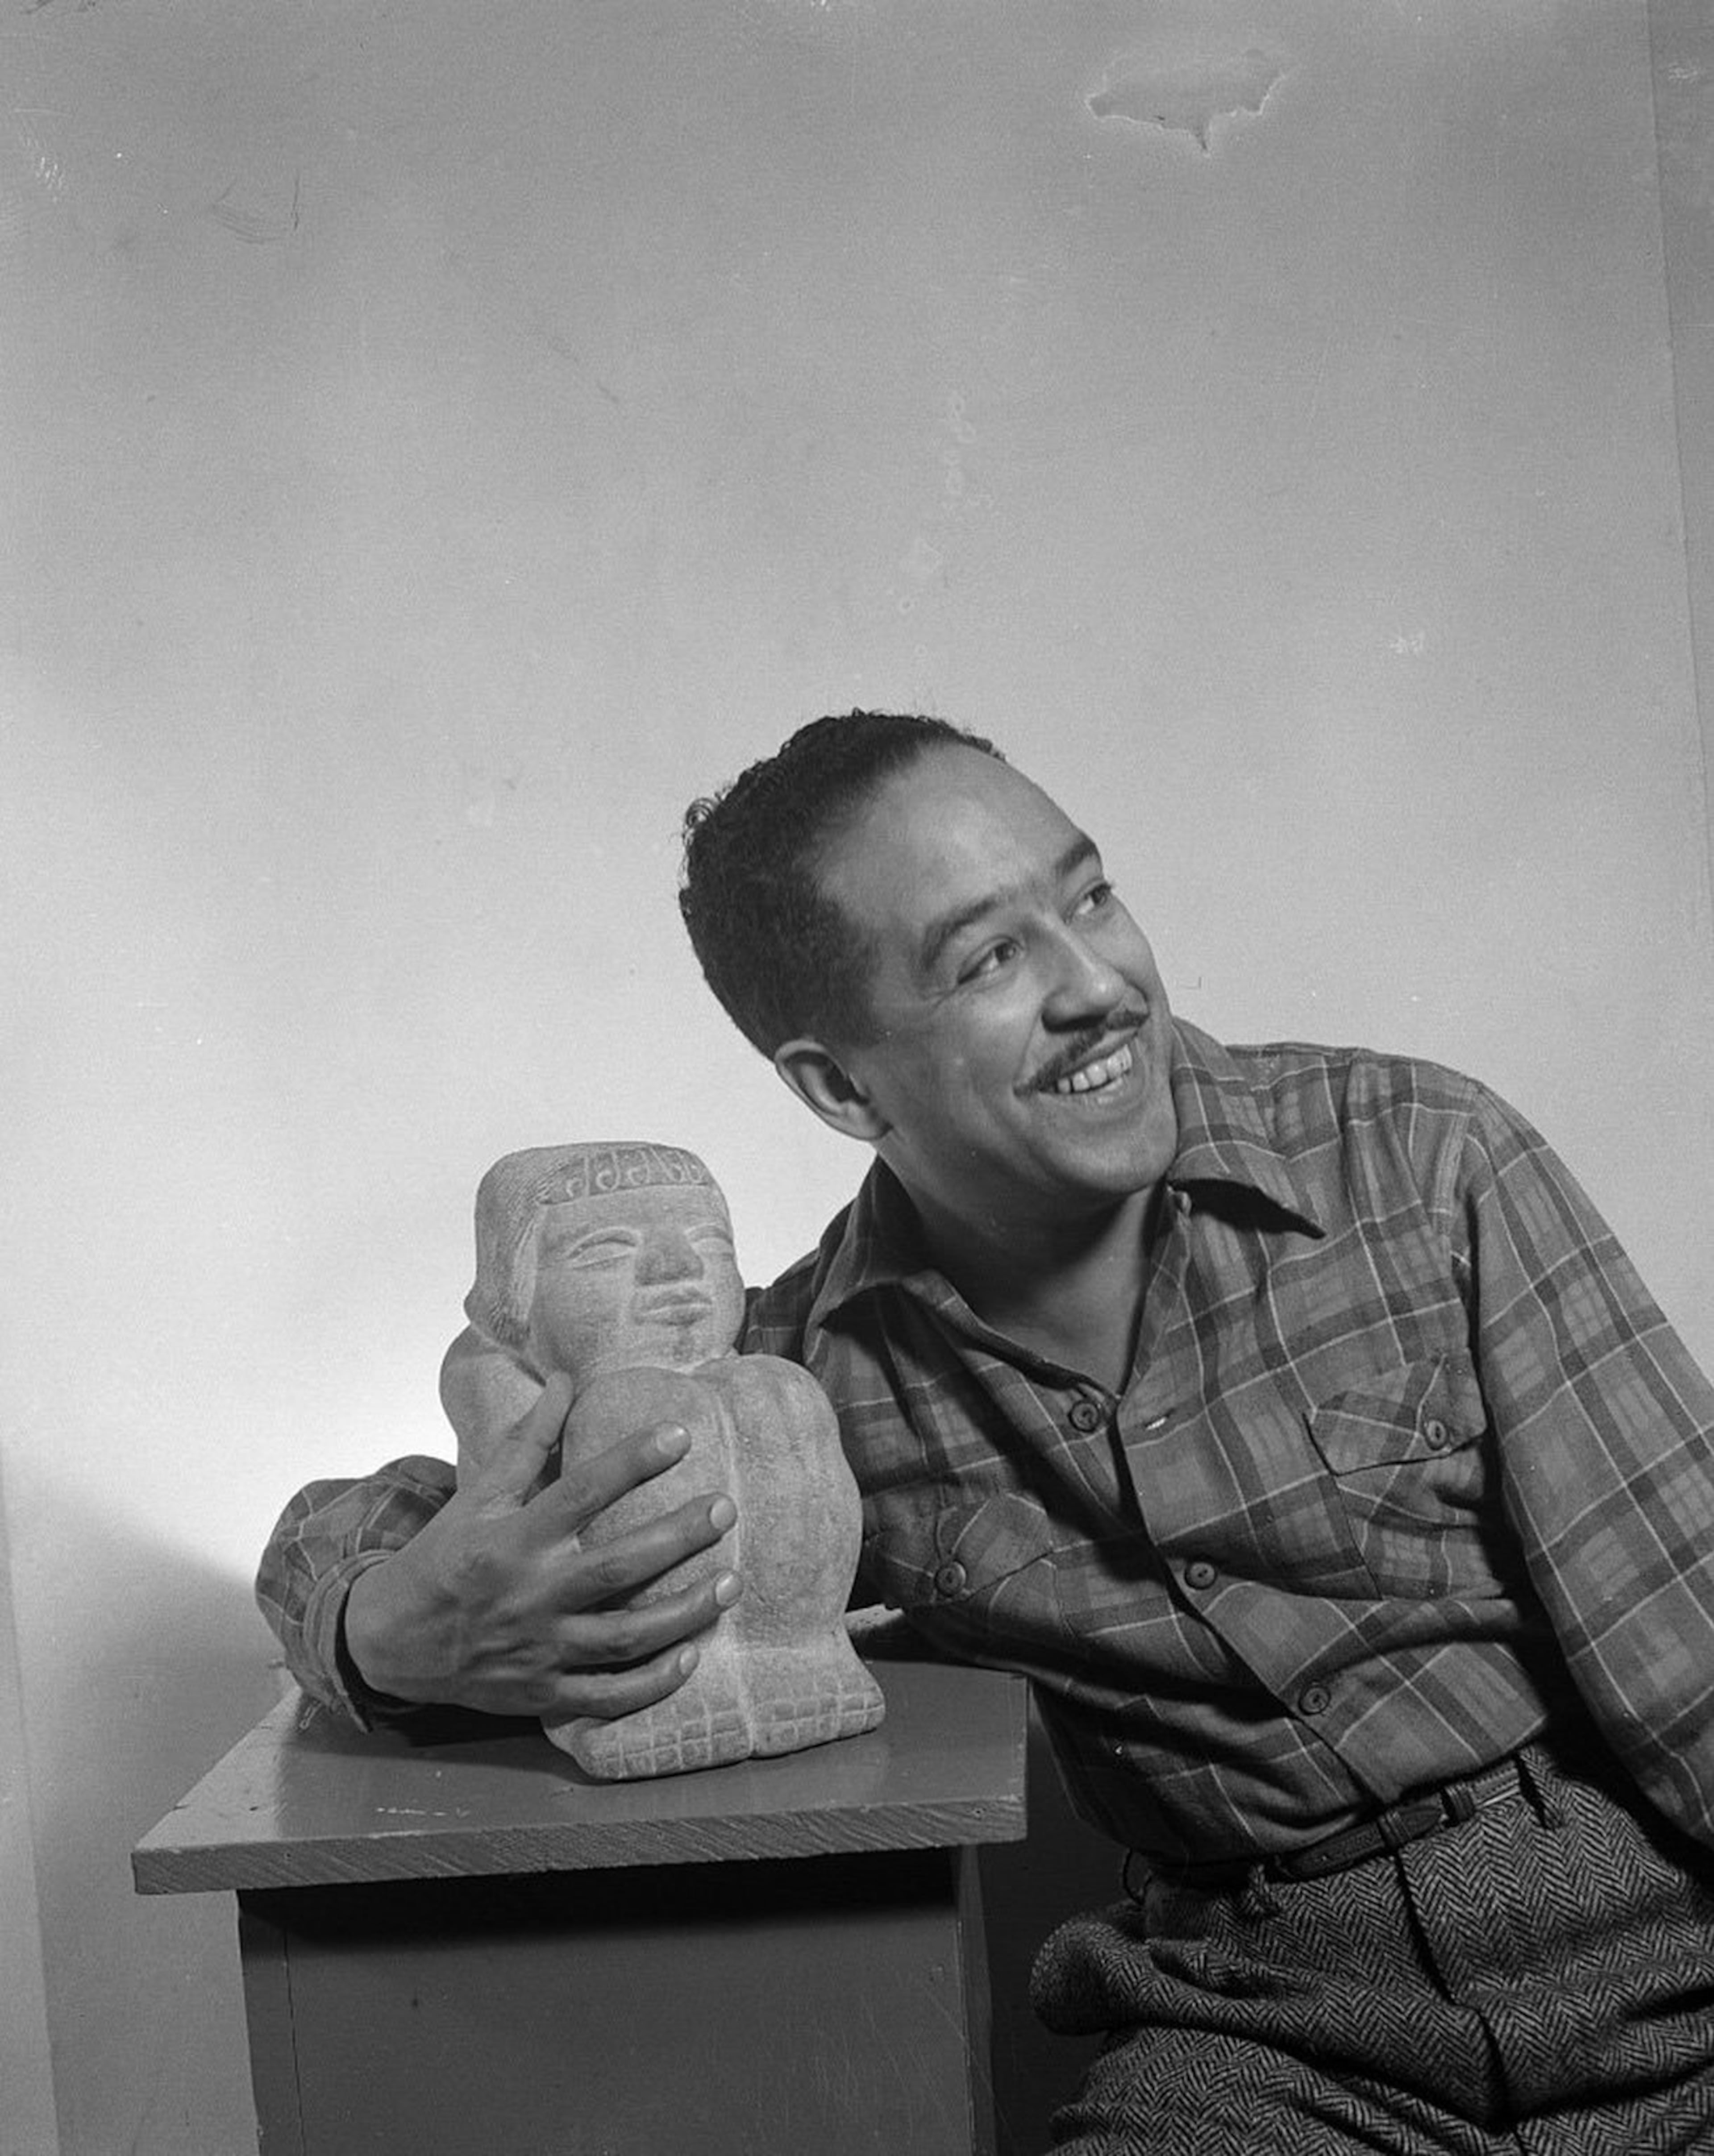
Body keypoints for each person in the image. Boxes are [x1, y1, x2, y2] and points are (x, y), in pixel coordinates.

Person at [258, 710, 1714, 2152]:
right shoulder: (815, 1377)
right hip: (1273, 2034)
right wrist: (390, 1629)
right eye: (991, 959)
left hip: (1659, 1957)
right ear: (841, 1085)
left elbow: (1691, 1657)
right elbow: (395, 1515)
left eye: (1090, 896)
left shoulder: (1421, 1160)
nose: (1102, 986)